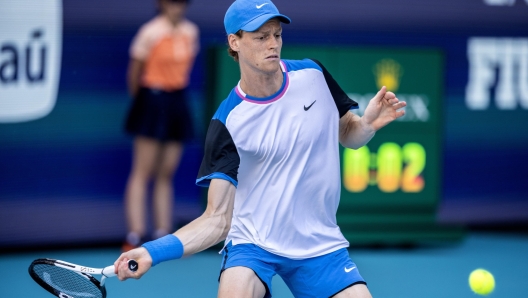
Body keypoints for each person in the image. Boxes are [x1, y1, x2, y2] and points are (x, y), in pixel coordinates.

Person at [115, 0, 406, 297]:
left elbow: (348, 133)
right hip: (253, 246)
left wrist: (367, 125)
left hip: (320, 245)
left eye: (277, 35)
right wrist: (153, 251)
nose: (273, 44)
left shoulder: (313, 75)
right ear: (234, 42)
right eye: (260, 37)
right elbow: (216, 220)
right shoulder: (228, 121)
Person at [121, 0, 200, 252]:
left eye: (182, 2)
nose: (177, 6)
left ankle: (163, 233)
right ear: (162, 4)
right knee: (142, 171)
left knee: (166, 171)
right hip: (151, 101)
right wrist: (145, 102)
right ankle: (135, 235)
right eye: (172, 1)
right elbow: (134, 72)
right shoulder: (150, 32)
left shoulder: (191, 32)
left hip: (177, 101)